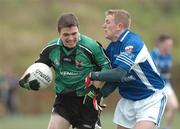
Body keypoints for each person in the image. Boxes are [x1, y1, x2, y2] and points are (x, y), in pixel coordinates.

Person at [19, 13, 111, 129]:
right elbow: (38, 68)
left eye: (74, 34)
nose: (71, 38)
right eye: (66, 35)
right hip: (63, 100)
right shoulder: (51, 49)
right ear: (59, 33)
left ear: (79, 30)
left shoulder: (91, 46)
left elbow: (107, 67)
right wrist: (26, 81)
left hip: (87, 100)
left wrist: (94, 89)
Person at [85, 9, 167, 129]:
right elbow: (115, 79)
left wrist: (91, 75)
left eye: (107, 22)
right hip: (128, 100)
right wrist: (100, 95)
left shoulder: (132, 42)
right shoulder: (112, 49)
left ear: (119, 26)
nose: (104, 25)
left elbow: (119, 74)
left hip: (150, 98)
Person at [150, 34, 179, 129]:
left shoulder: (168, 56)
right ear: (160, 44)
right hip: (154, 87)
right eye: (168, 44)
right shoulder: (152, 55)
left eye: (171, 45)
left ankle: (166, 126)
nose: (170, 47)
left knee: (174, 106)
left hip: (166, 85)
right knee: (155, 110)